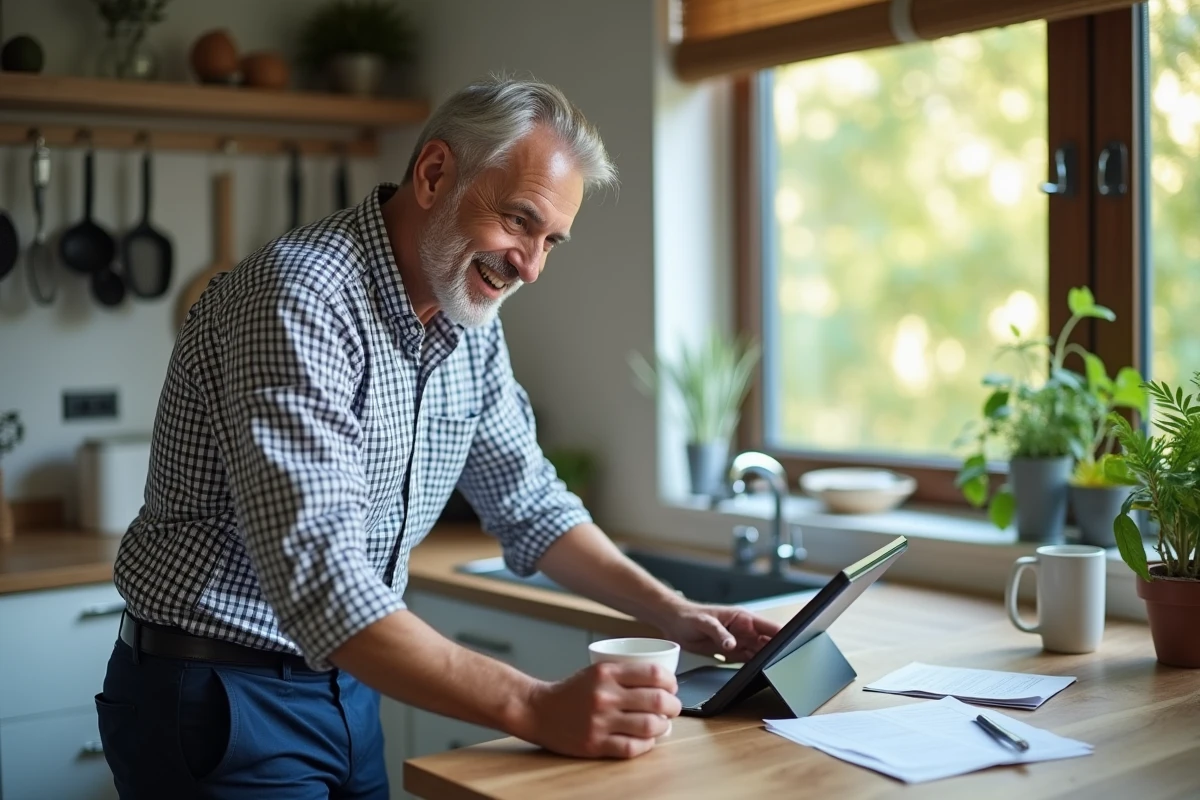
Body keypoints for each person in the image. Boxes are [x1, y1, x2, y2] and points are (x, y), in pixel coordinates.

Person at [96, 75, 781, 799]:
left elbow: (530, 504)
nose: (532, 266)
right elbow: (323, 583)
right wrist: (535, 706)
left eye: (551, 240)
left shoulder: (466, 319)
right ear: (433, 175)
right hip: (219, 693)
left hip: (350, 686)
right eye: (519, 221)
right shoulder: (299, 299)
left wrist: (675, 611)